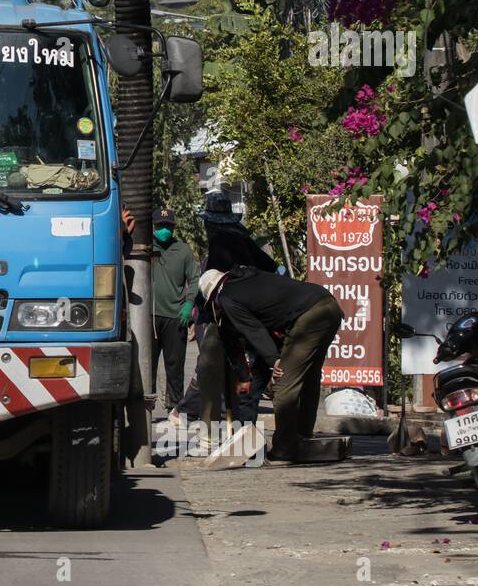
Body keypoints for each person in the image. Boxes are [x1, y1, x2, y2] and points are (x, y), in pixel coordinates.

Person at [198, 266, 344, 462]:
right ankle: (302, 437)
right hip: (329, 305)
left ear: (213, 295)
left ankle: (284, 447)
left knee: (284, 384)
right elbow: (237, 339)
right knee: (309, 377)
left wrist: (273, 359)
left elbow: (254, 329)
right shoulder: (247, 278)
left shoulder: (227, 297)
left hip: (308, 317)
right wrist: (244, 376)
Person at [174, 190, 280, 428]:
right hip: (243, 311)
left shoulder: (220, 244)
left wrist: (198, 314)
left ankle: (193, 414)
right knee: (234, 367)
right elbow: (271, 267)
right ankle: (232, 421)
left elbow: (210, 287)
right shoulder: (244, 241)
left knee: (211, 364)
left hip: (223, 314)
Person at [147, 208, 199, 411]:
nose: (164, 230)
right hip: (149, 317)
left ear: (173, 227)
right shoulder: (145, 247)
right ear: (154, 226)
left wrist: (189, 304)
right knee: (147, 365)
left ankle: (175, 407)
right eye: (161, 226)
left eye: (168, 226)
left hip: (176, 316)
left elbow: (194, 279)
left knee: (175, 366)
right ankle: (146, 405)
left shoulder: (184, 250)